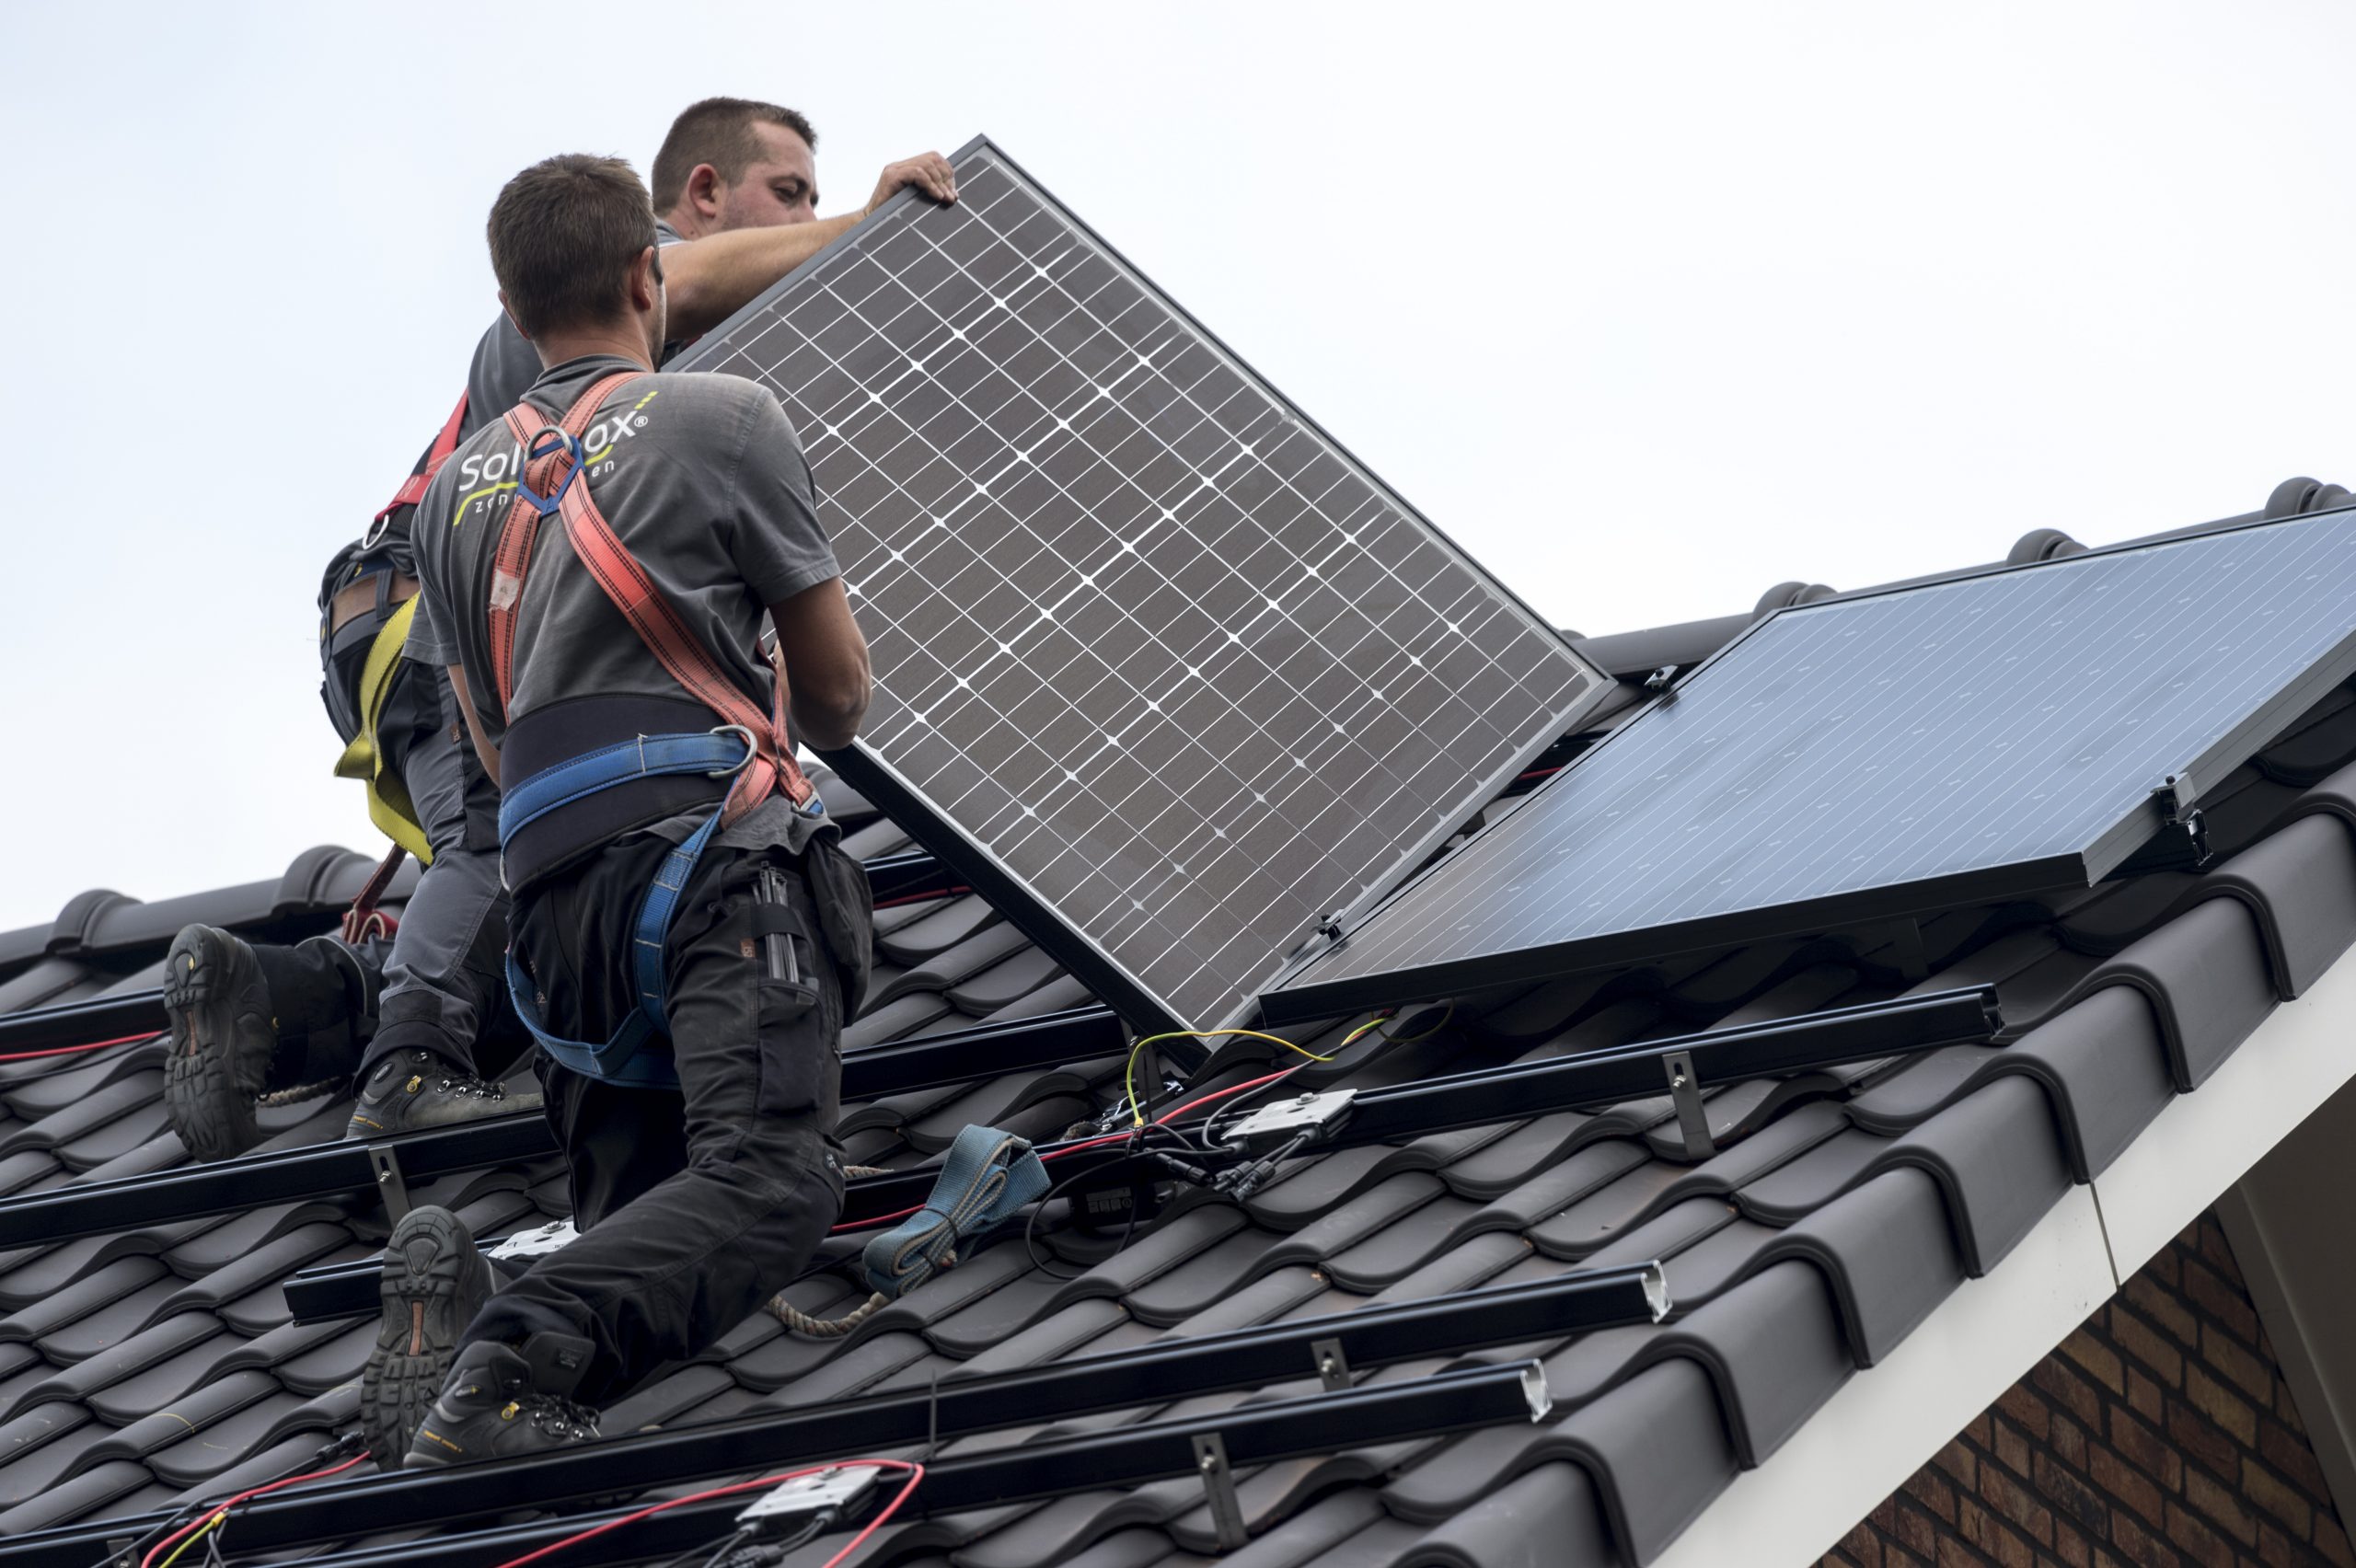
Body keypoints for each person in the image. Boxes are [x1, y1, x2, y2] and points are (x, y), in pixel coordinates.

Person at [164, 100, 952, 1168]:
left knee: (537, 896)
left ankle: (267, 998)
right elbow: (697, 280)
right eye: (791, 193)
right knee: (510, 828)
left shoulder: (665, 390)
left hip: (417, 616)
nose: (805, 217)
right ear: (701, 199)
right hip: (416, 610)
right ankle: (404, 1074)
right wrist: (863, 223)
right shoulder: (575, 312)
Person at [381, 150, 877, 1471]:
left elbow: (489, 752)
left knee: (653, 1237)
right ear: (649, 274)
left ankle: (527, 1383)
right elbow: (836, 701)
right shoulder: (728, 418)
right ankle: (505, 1338)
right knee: (774, 1179)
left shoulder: (448, 502)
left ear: (511, 301)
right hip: (709, 873)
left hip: (555, 921)